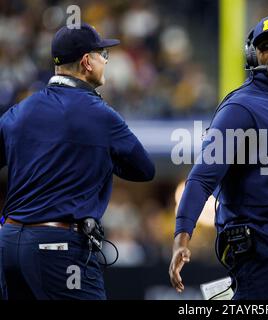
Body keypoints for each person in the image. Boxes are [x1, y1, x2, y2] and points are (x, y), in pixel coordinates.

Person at [169, 15, 268, 300]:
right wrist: (182, 236)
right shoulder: (241, 108)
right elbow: (202, 178)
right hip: (265, 253)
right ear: (253, 54)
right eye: (266, 46)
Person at [0, 22, 155, 300]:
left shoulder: (20, 110)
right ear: (87, 62)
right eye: (102, 54)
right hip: (59, 248)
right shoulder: (100, 114)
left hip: (9, 243)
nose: (105, 61)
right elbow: (144, 169)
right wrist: (98, 158)